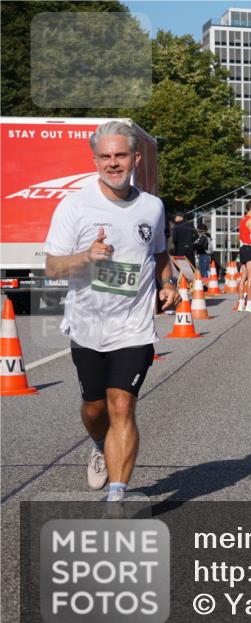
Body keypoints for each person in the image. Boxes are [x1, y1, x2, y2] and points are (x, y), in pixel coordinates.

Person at [43, 120, 180, 501]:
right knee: (94, 407)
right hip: (88, 324)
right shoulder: (75, 206)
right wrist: (87, 257)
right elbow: (52, 267)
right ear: (95, 160)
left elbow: (159, 254)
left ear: (135, 157)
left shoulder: (152, 206)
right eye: (105, 156)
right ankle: (99, 444)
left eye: (120, 155)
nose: (113, 163)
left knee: (123, 404)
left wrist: (168, 284)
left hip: (134, 326)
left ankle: (117, 497)